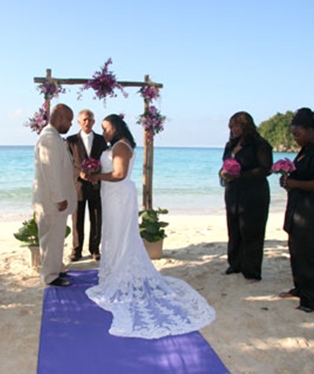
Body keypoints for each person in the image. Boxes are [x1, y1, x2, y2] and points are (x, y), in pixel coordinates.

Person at [84, 114, 215, 338]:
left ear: (115, 127)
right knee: (114, 234)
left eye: (106, 128)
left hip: (118, 196)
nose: (103, 132)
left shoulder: (122, 146)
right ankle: (114, 269)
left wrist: (96, 176)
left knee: (121, 234)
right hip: (112, 194)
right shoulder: (116, 145)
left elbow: (119, 174)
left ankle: (121, 272)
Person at [278, 108, 314, 313]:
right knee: (297, 252)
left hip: (313, 212)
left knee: (311, 255)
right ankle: (300, 288)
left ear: (310, 131)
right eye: (293, 134)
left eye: (297, 134)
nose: (295, 138)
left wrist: (295, 183)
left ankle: (312, 299)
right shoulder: (304, 151)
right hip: (297, 210)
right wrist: (288, 181)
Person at [220, 111, 273, 281]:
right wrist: (223, 173)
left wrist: (242, 175)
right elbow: (225, 164)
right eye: (231, 126)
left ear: (247, 126)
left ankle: (251, 270)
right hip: (233, 192)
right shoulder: (230, 145)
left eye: (237, 125)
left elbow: (266, 169)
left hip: (254, 192)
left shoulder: (260, 144)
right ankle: (235, 264)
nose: (234, 129)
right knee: (234, 228)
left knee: (252, 231)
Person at [33, 104, 77, 287]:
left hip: (55, 201)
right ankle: (50, 276)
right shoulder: (49, 139)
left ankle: (56, 268)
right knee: (50, 239)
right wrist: (59, 198)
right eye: (69, 120)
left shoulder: (54, 137)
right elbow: (51, 172)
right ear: (59, 118)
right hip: (51, 201)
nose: (71, 124)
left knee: (56, 237)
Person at [66, 109, 108, 262]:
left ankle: (95, 249)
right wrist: (79, 173)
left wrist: (98, 174)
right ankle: (76, 250)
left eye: (90, 119)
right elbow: (67, 163)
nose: (87, 122)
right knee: (77, 220)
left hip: (97, 186)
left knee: (96, 219)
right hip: (77, 186)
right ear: (79, 122)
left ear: (94, 121)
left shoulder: (101, 140)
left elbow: (105, 161)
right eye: (84, 120)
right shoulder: (71, 141)